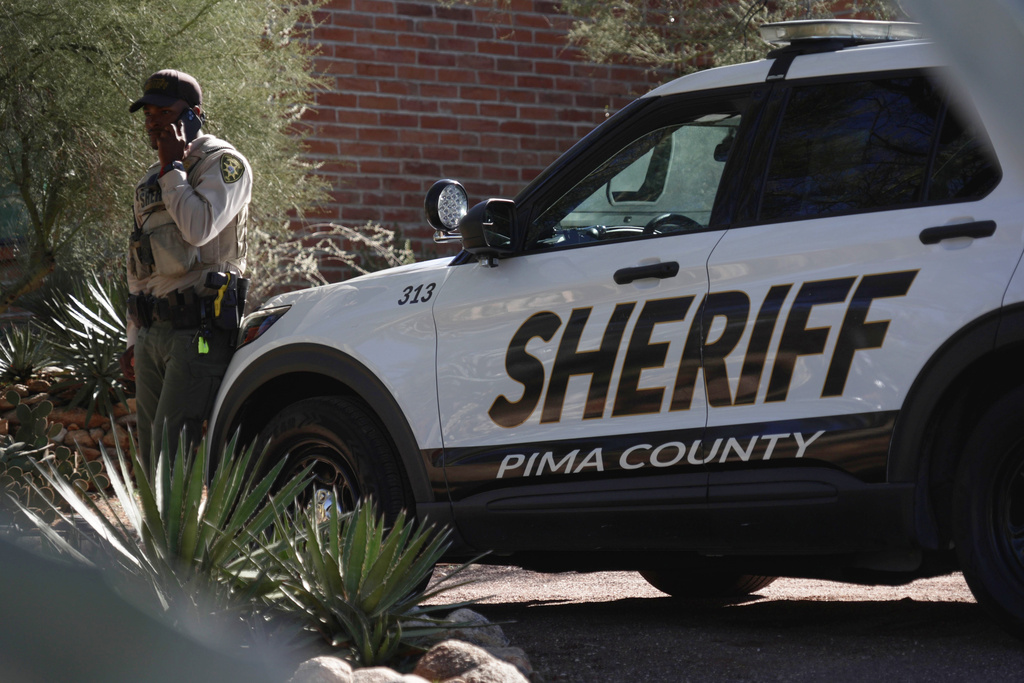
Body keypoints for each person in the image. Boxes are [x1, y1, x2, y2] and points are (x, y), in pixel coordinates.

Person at [119, 69, 251, 472]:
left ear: (193, 114)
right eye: (148, 113)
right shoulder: (150, 180)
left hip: (200, 333)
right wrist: (132, 338)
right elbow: (139, 268)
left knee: (170, 454)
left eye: (164, 110)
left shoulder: (224, 165)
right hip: (153, 334)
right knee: (149, 457)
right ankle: (154, 536)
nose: (153, 120)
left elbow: (198, 229)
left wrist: (173, 169)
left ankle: (179, 535)